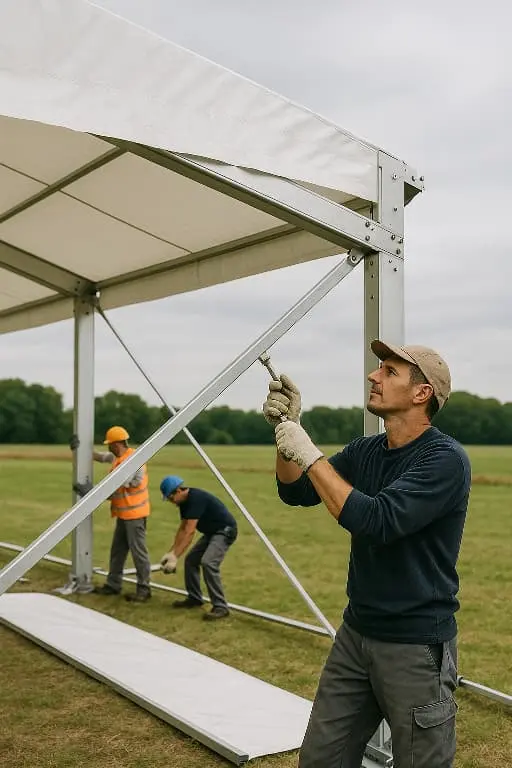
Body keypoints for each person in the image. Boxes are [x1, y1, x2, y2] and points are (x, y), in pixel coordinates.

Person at [262, 341, 471, 768]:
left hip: (415, 645)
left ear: (421, 394)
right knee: (322, 759)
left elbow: (375, 520)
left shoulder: (445, 460)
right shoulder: (366, 450)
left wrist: (309, 452)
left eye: (389, 371)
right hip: (356, 634)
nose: (374, 376)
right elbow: (296, 490)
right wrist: (287, 431)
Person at [70, 425, 152, 603]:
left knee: (139, 553)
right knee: (118, 551)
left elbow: (114, 489)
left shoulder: (133, 462)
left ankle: (144, 589)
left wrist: (91, 492)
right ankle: (113, 585)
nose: (108, 448)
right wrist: (80, 449)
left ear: (117, 444)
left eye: (110, 444)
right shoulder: (118, 457)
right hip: (124, 515)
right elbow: (100, 456)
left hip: (135, 515)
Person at [159, 475, 238, 621]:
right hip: (211, 532)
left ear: (178, 491)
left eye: (170, 498)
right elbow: (182, 528)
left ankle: (220, 607)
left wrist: (175, 557)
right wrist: (172, 552)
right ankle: (194, 598)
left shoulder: (195, 499)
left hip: (225, 531)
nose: (171, 502)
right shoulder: (183, 503)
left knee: (208, 562)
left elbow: (189, 532)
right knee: (191, 561)